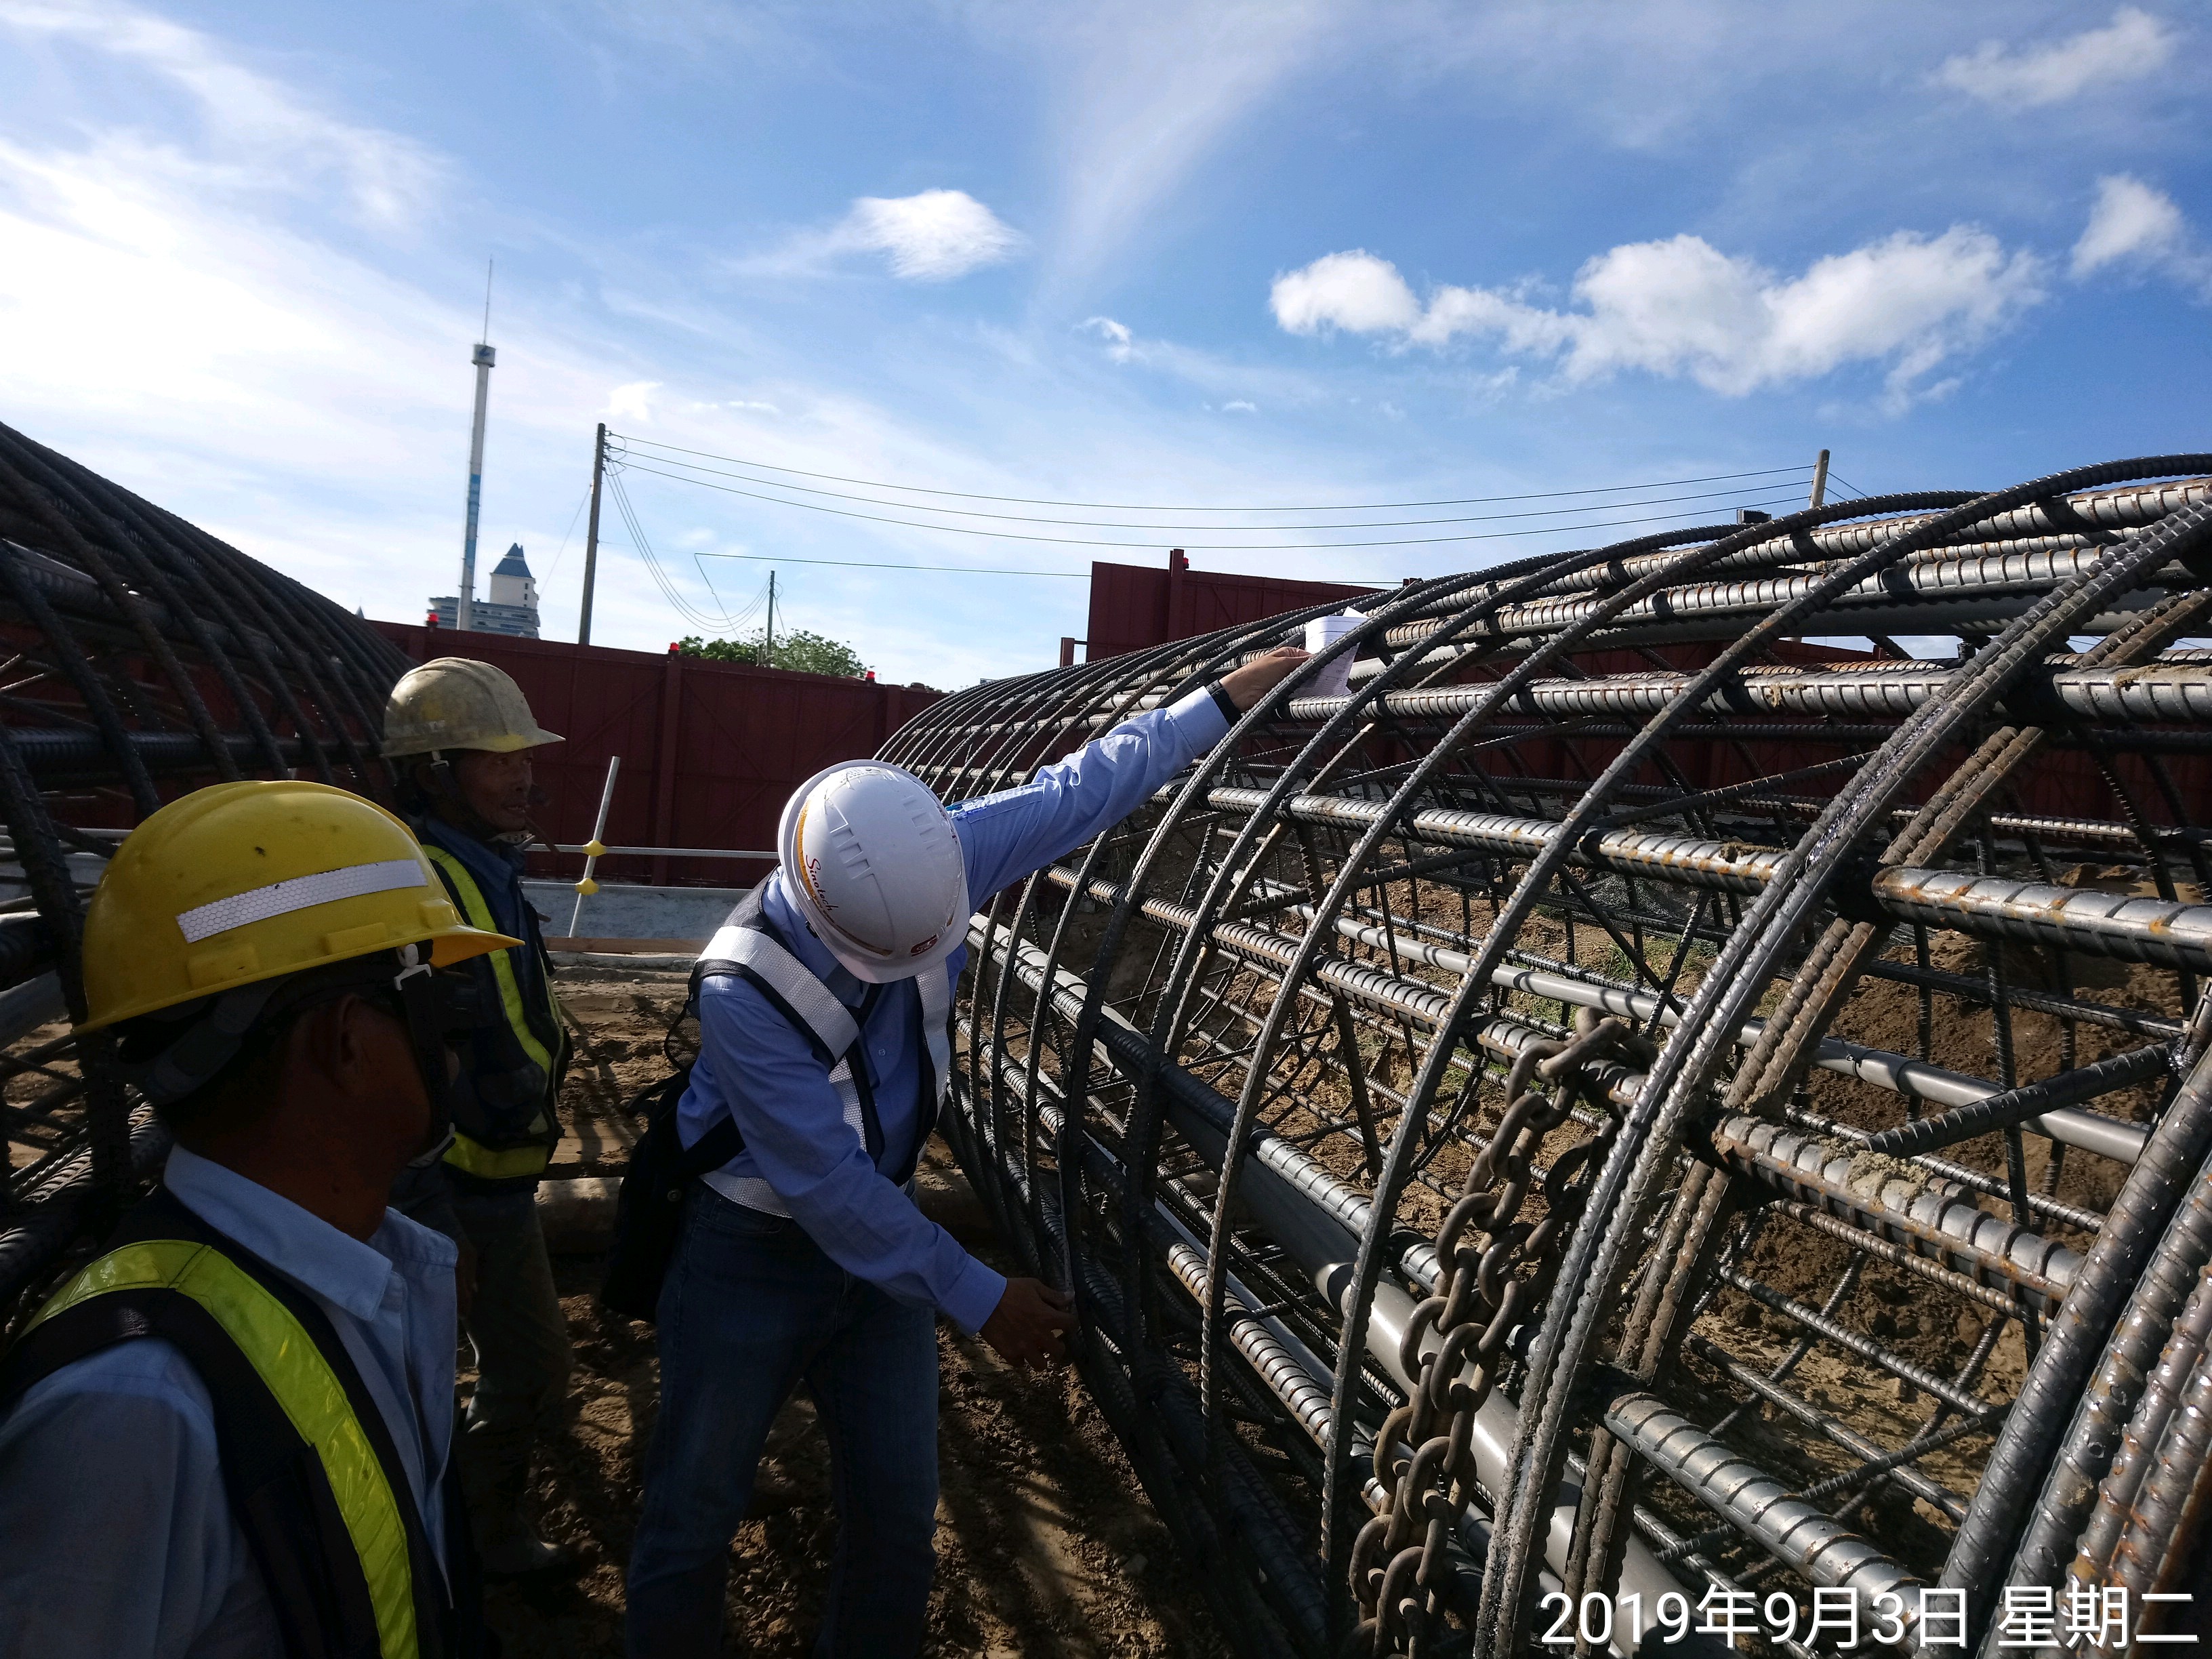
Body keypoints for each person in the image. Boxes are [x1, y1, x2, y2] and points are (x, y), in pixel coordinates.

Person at [625, 644, 1309, 1658]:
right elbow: (825, 1188)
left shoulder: (935, 853)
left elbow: (1080, 789)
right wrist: (982, 1295)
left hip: (884, 1257)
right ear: (817, 906)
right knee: (693, 1512)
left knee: (898, 1516)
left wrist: (1216, 701)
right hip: (751, 1255)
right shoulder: (742, 989)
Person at [0, 779, 516, 1658]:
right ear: (347, 1041)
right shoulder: (134, 1415)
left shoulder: (366, 1273)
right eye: (438, 996)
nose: (462, 1037)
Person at [381, 656, 577, 1577]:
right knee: (520, 1372)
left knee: (516, 1370)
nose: (521, 774)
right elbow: (408, 1058)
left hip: (496, 1177)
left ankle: (463, 1542)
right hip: (453, 1189)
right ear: (432, 771)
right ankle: (469, 1553)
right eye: (494, 758)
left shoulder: (480, 865)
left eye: (522, 755)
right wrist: (430, 1211)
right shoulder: (414, 879)